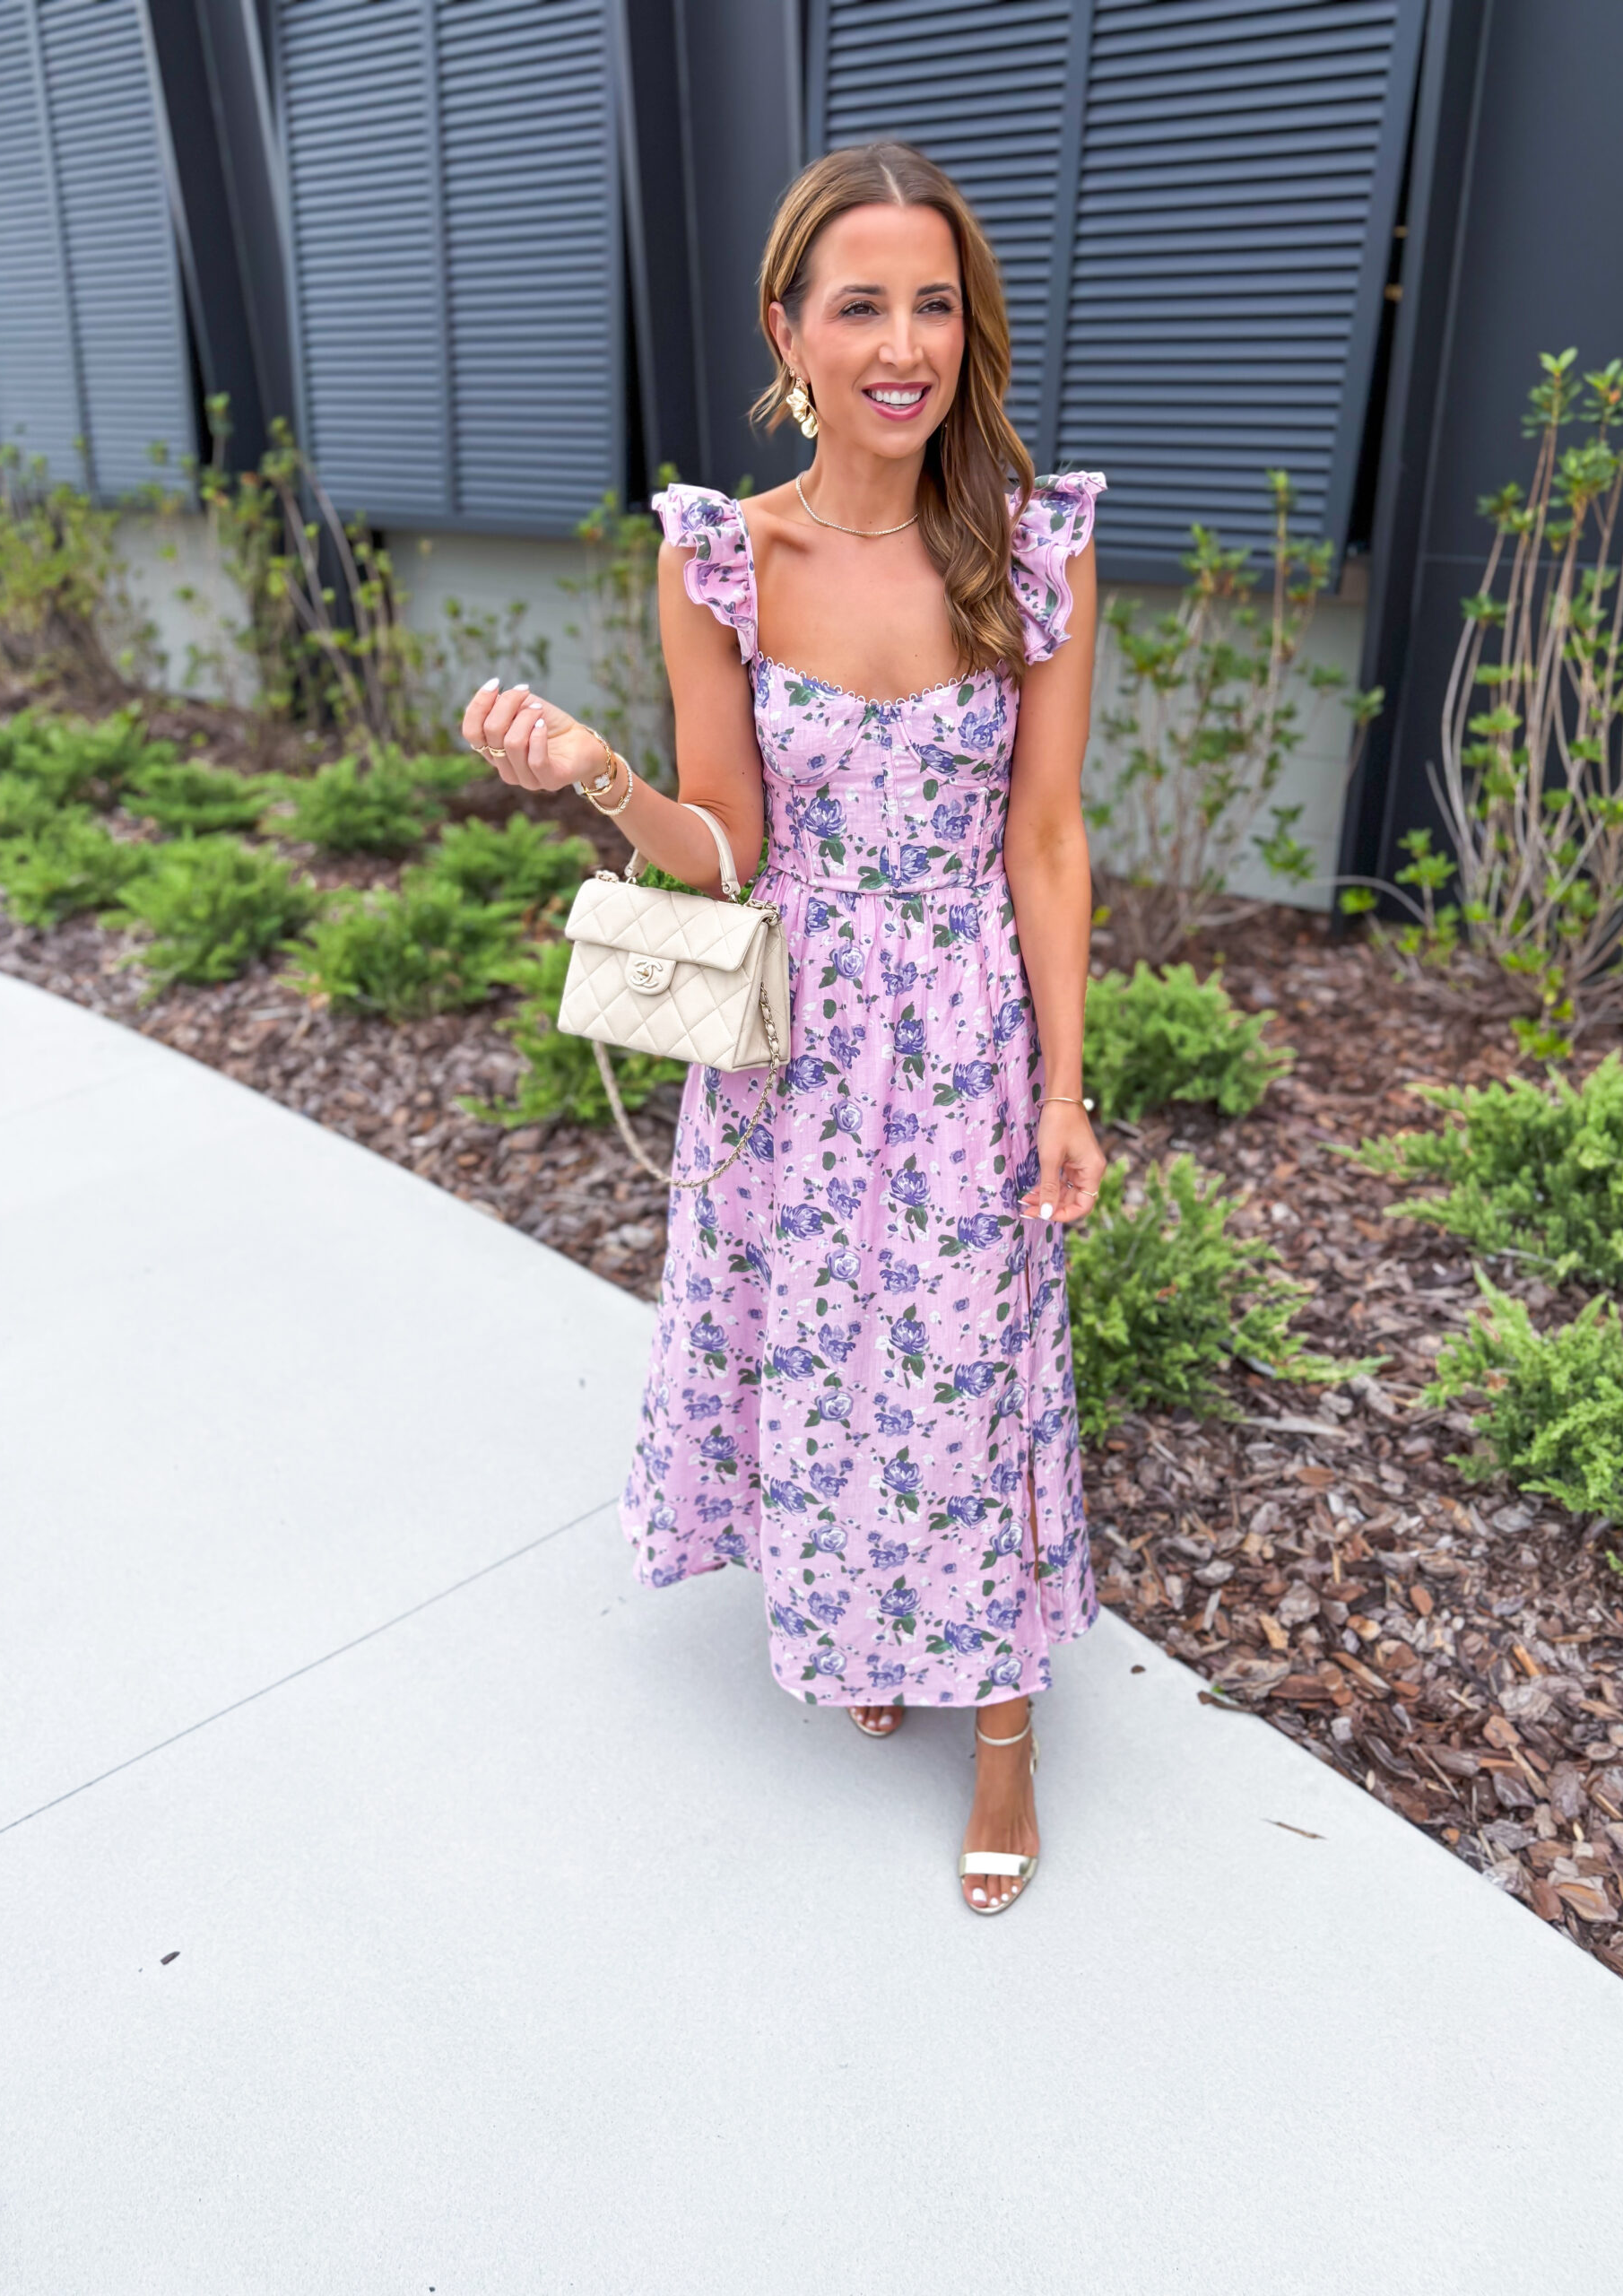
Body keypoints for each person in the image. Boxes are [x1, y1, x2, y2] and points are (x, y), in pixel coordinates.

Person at [463, 141, 1106, 1916]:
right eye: (861, 305)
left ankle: (1003, 1730)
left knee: (971, 1374)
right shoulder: (720, 562)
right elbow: (725, 843)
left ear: (968, 332)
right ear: (790, 331)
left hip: (971, 1028)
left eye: (935, 304)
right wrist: (596, 772)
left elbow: (1046, 835)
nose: (903, 343)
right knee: (826, 1360)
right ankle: (867, 1607)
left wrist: (1067, 1078)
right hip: (798, 1046)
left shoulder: (1036, 555)